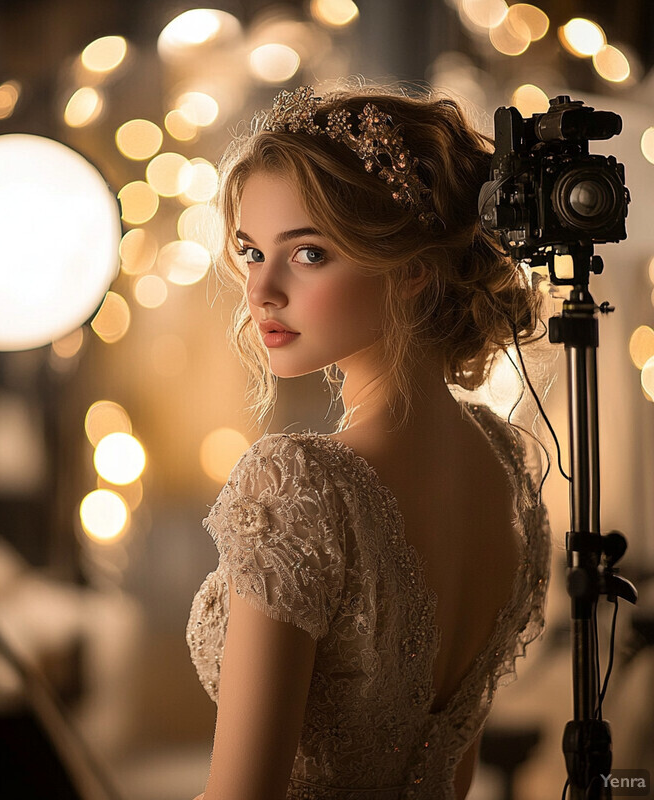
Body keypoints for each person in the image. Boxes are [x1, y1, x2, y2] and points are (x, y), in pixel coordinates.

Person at [186, 83, 551, 800]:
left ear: (413, 270)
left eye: (310, 254)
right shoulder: (504, 472)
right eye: (252, 252)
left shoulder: (298, 486)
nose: (262, 289)